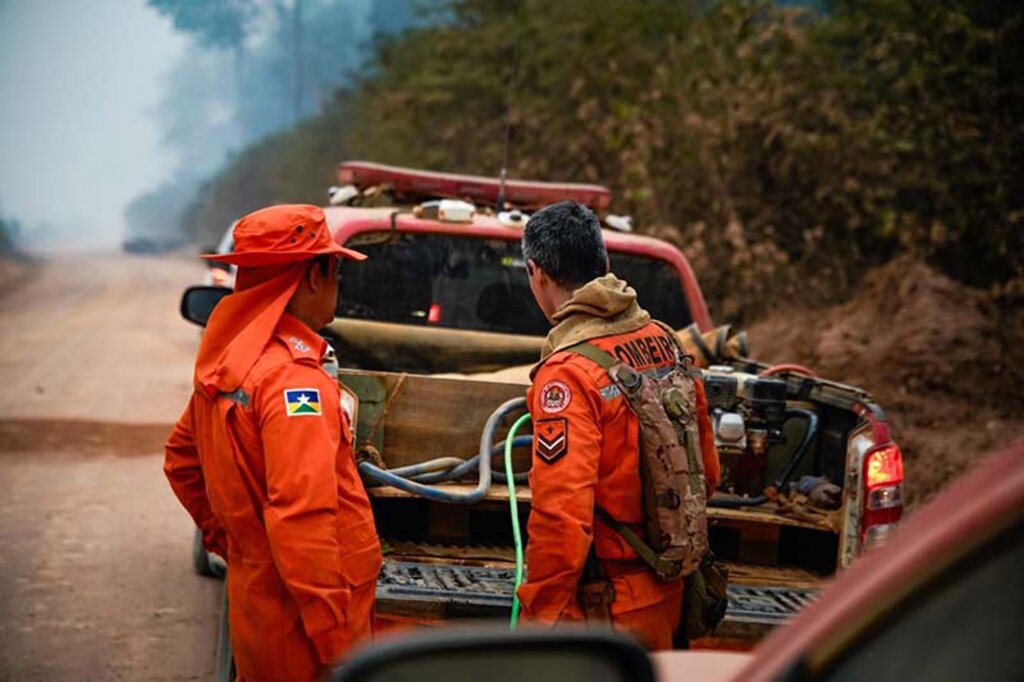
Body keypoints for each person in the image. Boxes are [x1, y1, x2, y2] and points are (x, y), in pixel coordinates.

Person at [164, 204, 382, 681]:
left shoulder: (229, 362)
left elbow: (181, 460)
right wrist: (335, 640)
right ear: (311, 277)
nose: (337, 284)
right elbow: (301, 515)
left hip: (262, 600)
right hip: (302, 629)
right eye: (335, 269)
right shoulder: (291, 381)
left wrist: (240, 545)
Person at [517, 200, 721, 650]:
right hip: (670, 596)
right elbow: (707, 472)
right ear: (605, 262)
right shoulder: (666, 341)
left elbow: (562, 517)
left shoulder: (568, 373)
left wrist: (538, 617)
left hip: (603, 612)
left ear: (537, 273)